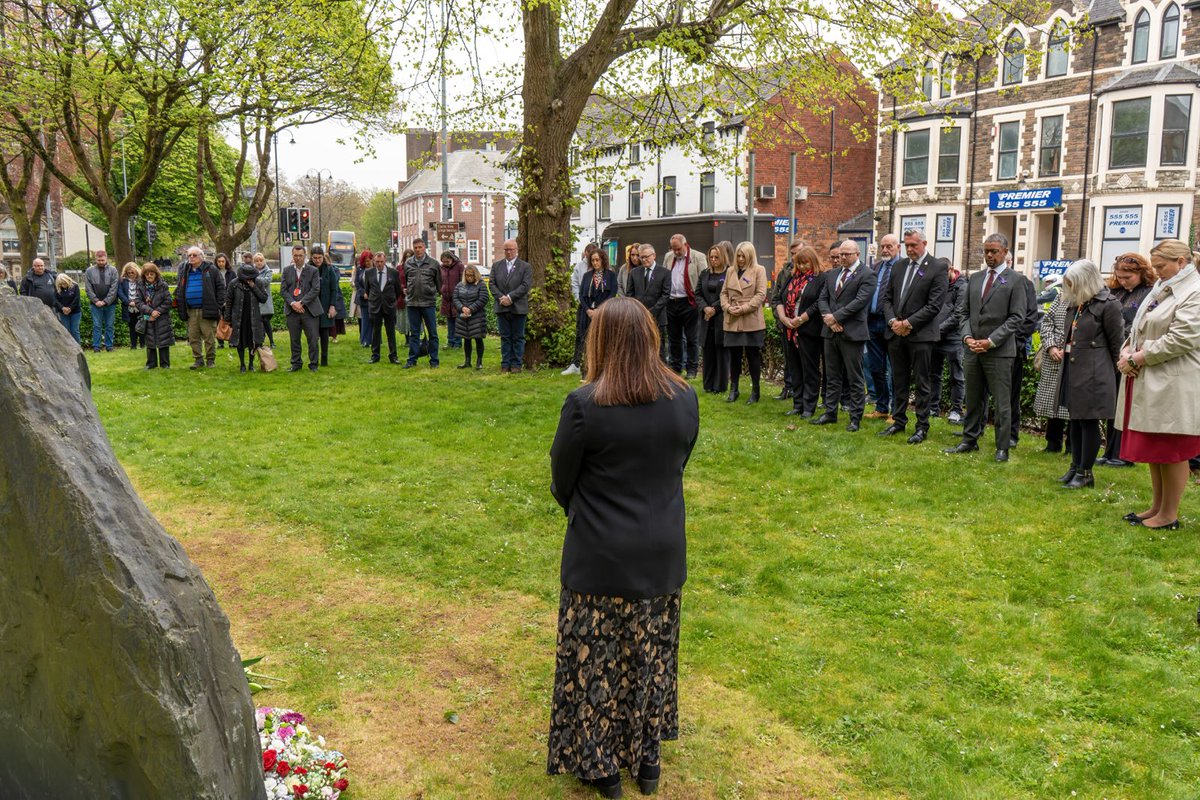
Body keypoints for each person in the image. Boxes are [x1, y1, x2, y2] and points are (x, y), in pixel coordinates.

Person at [547, 297, 699, 800]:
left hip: (601, 552)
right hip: (660, 549)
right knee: (650, 656)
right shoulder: (684, 399)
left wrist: (593, 511)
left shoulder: (586, 405)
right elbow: (677, 465)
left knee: (597, 660)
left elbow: (561, 481)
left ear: (601, 342)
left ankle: (603, 764)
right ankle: (646, 758)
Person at [1116, 239, 1200, 532]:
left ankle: (1169, 514)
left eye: (1162, 266)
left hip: (1175, 382)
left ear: (1181, 262)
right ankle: (1157, 506)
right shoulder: (1164, 287)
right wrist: (1127, 351)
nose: (1158, 272)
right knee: (1156, 448)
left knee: (1173, 449)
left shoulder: (1194, 291)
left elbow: (1182, 338)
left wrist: (1138, 358)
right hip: (1154, 378)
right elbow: (1141, 325)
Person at [944, 234, 1029, 462]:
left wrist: (991, 340)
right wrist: (967, 337)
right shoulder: (976, 278)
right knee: (972, 399)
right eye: (986, 251)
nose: (989, 256)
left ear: (1005, 252)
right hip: (972, 349)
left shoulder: (1015, 280)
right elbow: (964, 312)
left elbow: (1017, 317)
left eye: (994, 251)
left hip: (999, 352)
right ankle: (969, 440)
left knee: (1002, 402)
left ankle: (1002, 447)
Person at [1054, 260, 1124, 489]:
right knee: (1075, 421)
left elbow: (1117, 345)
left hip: (1095, 373)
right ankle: (1075, 466)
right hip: (1075, 370)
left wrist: (1112, 376)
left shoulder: (1109, 305)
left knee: (1088, 423)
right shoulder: (1078, 304)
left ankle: (1086, 473)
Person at [879, 229, 949, 444]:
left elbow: (935, 304)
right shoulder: (899, 266)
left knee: (922, 383)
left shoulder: (937, 267)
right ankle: (898, 421)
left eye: (914, 245)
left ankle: (921, 426)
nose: (910, 249)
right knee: (898, 380)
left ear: (924, 243)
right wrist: (893, 322)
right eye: (907, 245)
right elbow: (887, 298)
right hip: (896, 334)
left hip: (921, 336)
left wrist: (908, 323)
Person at [812, 240, 876, 430]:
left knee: (854, 377)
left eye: (847, 254)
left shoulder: (867, 275)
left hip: (853, 333)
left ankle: (855, 417)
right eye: (840, 254)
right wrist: (828, 319)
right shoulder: (832, 274)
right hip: (830, 332)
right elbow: (823, 298)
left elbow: (860, 302)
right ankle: (830, 412)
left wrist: (837, 318)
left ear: (857, 254)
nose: (842, 257)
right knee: (832, 376)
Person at [1099, 253, 1156, 467]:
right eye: (1119, 277)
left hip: (1132, 353)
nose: (1123, 281)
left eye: (1128, 277)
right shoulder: (1115, 292)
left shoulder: (1150, 294)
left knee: (1126, 406)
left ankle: (1124, 454)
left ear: (1141, 272)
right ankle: (1109, 451)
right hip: (1111, 353)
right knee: (1112, 404)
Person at [773, 243, 826, 418]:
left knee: (809, 369)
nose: (802, 267)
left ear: (813, 261)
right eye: (800, 263)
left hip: (808, 330)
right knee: (794, 368)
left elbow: (819, 303)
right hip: (789, 329)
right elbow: (780, 298)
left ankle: (809, 406)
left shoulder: (820, 278)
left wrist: (801, 318)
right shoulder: (792, 277)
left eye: (806, 263)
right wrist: (783, 318)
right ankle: (798, 404)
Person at [720, 240, 768, 404]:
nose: (740, 259)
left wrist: (745, 308)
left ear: (750, 256)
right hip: (732, 317)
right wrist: (727, 307)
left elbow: (761, 295)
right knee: (734, 355)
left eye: (743, 256)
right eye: (738, 255)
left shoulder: (759, 270)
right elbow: (724, 293)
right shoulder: (730, 271)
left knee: (753, 356)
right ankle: (734, 389)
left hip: (750, 318)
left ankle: (755, 390)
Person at [174, 246, 226, 369]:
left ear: (201, 257)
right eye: (189, 255)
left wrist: (218, 306)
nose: (191, 257)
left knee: (209, 337)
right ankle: (198, 360)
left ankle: (210, 360)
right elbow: (180, 288)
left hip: (206, 309)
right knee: (193, 337)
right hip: (191, 310)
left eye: (194, 255)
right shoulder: (185, 271)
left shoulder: (211, 270)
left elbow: (221, 288)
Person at [662, 233, 706, 379]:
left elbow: (703, 280)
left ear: (685, 245)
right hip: (672, 302)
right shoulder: (669, 257)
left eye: (678, 249)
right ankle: (675, 367)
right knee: (674, 338)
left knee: (692, 338)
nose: (676, 252)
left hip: (689, 302)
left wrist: (700, 303)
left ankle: (692, 369)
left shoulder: (698, 257)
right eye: (673, 249)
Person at [864, 233, 899, 419]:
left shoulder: (902, 267)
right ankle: (882, 407)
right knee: (876, 367)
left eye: (889, 246)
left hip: (891, 324)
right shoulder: (876, 267)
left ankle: (896, 411)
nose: (885, 250)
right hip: (872, 322)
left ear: (897, 247)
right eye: (883, 246)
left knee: (893, 369)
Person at [1032, 292, 1071, 453]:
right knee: (1052, 402)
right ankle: (1053, 443)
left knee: (1072, 404)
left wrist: (1070, 349)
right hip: (1053, 356)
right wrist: (1051, 346)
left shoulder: (1090, 299)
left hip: (1074, 357)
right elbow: (1047, 322)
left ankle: (1073, 446)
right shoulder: (1061, 297)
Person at [929, 263, 966, 424]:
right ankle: (933, 407)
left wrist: (938, 330)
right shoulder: (938, 285)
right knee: (933, 375)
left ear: (951, 270)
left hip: (954, 338)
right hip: (935, 337)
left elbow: (959, 314)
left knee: (957, 375)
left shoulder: (962, 287)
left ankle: (956, 410)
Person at [490, 239, 532, 373]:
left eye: (511, 249)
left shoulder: (525, 267)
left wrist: (510, 297)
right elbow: (491, 284)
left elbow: (525, 286)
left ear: (516, 250)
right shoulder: (497, 266)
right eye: (506, 249)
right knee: (505, 337)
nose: (508, 252)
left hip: (518, 307)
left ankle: (516, 364)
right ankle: (505, 363)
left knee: (518, 337)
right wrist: (501, 298)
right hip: (501, 306)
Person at [577, 248, 618, 376]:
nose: (595, 263)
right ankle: (587, 370)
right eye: (593, 260)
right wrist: (588, 310)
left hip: (603, 313)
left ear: (602, 260)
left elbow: (612, 293)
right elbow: (581, 295)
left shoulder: (610, 275)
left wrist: (600, 310)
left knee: (603, 340)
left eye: (597, 260)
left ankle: (603, 370)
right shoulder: (587, 276)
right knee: (588, 341)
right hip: (587, 313)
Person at [280, 244, 321, 372]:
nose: (298, 258)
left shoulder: (313, 271)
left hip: (309, 311)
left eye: (300, 255)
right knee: (294, 339)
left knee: (313, 339)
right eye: (295, 255)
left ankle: (313, 364)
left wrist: (301, 303)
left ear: (305, 256)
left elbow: (315, 290)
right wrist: (293, 303)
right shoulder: (286, 271)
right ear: (292, 256)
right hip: (292, 311)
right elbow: (283, 290)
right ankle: (296, 363)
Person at [222, 257, 268, 373]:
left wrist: (253, 286)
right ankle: (242, 364)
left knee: (254, 341)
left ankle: (251, 364)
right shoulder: (234, 284)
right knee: (240, 342)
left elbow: (263, 298)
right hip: (239, 318)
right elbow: (229, 302)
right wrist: (227, 318)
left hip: (254, 317)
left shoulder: (258, 282)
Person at [697, 242, 731, 394]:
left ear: (723, 257)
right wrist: (705, 307)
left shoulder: (730, 273)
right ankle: (708, 385)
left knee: (721, 352)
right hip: (706, 317)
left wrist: (714, 308)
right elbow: (697, 294)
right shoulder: (704, 273)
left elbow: (730, 294)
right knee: (708, 352)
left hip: (721, 317)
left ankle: (720, 386)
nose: (713, 260)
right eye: (711, 257)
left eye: (716, 257)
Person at [563, 243, 600, 375]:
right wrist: (582, 303)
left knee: (597, 335)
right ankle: (576, 363)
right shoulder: (580, 266)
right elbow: (575, 285)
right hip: (583, 307)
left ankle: (595, 364)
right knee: (580, 334)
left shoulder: (602, 267)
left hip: (598, 308)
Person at [404, 238, 442, 368]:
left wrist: (432, 293)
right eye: (415, 248)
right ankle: (412, 360)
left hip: (428, 303)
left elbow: (439, 284)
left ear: (424, 247)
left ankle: (434, 361)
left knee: (433, 333)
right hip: (412, 303)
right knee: (414, 334)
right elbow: (405, 280)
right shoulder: (408, 263)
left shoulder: (434, 264)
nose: (418, 250)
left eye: (420, 247)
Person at [630, 243, 671, 360]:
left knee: (659, 348)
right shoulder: (634, 273)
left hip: (658, 317)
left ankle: (661, 374)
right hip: (638, 317)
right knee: (640, 348)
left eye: (646, 257)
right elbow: (630, 295)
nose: (643, 260)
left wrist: (651, 312)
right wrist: (639, 311)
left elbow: (665, 295)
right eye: (641, 257)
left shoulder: (665, 273)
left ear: (654, 255)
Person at [362, 249, 402, 364]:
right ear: (374, 261)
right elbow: (367, 289)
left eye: (381, 261)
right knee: (375, 332)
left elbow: (398, 290)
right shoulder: (369, 273)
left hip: (389, 306)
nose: (379, 264)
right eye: (377, 261)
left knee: (391, 332)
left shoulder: (393, 273)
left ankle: (393, 356)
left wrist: (391, 300)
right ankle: (375, 356)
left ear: (385, 261)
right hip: (375, 306)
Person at [135, 262, 174, 369]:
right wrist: (150, 312)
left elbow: (168, 302)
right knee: (150, 340)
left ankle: (165, 364)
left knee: (164, 340)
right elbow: (138, 302)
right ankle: (151, 364)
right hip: (147, 316)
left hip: (162, 316)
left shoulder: (163, 285)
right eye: (147, 273)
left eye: (151, 273)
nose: (149, 275)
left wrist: (157, 312)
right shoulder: (140, 286)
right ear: (144, 275)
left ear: (156, 274)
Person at [453, 265, 490, 369]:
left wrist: (471, 309)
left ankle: (479, 362)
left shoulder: (481, 285)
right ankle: (467, 361)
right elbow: (455, 298)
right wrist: (462, 307)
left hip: (477, 317)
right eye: (467, 275)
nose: (469, 277)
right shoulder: (460, 285)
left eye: (471, 275)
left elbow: (483, 299)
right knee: (466, 339)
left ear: (475, 275)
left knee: (478, 339)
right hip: (463, 316)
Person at [84, 249, 118, 353]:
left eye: (103, 260)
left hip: (110, 304)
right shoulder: (89, 271)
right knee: (97, 326)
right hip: (95, 304)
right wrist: (96, 301)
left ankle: (109, 346)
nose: (101, 262)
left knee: (109, 325)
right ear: (96, 259)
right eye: (99, 260)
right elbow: (88, 288)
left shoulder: (113, 270)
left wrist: (106, 301)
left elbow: (114, 288)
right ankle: (96, 347)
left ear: (106, 258)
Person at [312, 245, 339, 366]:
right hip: (311, 306)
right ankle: (314, 359)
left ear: (323, 257)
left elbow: (334, 289)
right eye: (315, 258)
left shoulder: (329, 269)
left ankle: (324, 359)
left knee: (324, 333)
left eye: (319, 258)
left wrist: (332, 306)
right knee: (312, 335)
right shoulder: (307, 268)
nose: (317, 260)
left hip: (325, 305)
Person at [439, 250, 466, 350]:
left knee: (457, 320)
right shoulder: (441, 267)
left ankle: (458, 342)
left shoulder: (459, 266)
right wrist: (441, 290)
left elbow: (462, 281)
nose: (445, 263)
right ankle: (450, 341)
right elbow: (440, 281)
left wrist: (460, 294)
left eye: (447, 261)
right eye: (443, 261)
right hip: (446, 298)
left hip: (457, 298)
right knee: (449, 320)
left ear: (452, 259)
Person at [118, 262, 142, 349]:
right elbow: (120, 293)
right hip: (128, 308)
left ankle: (143, 345)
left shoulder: (141, 280)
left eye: (132, 272)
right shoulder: (122, 281)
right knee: (132, 327)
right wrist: (128, 302)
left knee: (142, 325)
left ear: (136, 271)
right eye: (129, 273)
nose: (131, 274)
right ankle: (133, 345)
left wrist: (137, 302)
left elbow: (143, 292)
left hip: (140, 307)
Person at [213, 253, 235, 349]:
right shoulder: (213, 272)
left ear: (226, 262)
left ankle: (231, 341)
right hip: (217, 301)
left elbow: (234, 287)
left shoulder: (232, 273)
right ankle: (220, 342)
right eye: (219, 261)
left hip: (229, 301)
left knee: (230, 322)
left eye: (223, 261)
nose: (221, 263)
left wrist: (229, 300)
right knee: (218, 321)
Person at [254, 252, 275, 347]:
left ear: (264, 261)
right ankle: (259, 341)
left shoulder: (268, 271)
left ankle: (272, 341)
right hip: (255, 300)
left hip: (265, 301)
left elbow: (266, 281)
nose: (259, 262)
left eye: (261, 260)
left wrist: (254, 280)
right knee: (258, 322)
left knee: (266, 321)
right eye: (257, 261)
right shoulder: (252, 270)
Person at [353, 250, 373, 348]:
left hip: (375, 299)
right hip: (363, 299)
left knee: (374, 319)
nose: (367, 263)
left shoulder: (376, 269)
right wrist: (363, 293)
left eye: (368, 261)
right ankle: (365, 340)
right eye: (365, 261)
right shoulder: (360, 269)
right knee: (365, 320)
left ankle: (374, 339)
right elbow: (357, 283)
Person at [54, 273, 82, 344]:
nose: (63, 285)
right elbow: (56, 300)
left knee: (74, 330)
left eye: (64, 283)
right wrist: (62, 308)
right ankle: (69, 347)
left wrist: (70, 308)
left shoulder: (75, 286)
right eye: (61, 284)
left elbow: (77, 298)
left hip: (75, 312)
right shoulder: (57, 288)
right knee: (66, 330)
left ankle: (78, 347)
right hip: (63, 312)